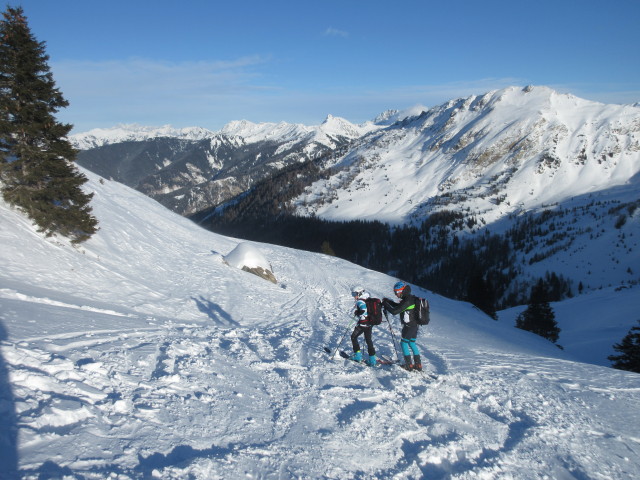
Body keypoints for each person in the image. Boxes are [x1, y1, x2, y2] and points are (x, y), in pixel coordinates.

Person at [382, 281, 422, 371]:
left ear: (401, 291)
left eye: (397, 292)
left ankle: (408, 365)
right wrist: (389, 302)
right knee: (411, 343)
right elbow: (399, 307)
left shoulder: (407, 300)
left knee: (403, 343)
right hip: (415, 325)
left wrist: (385, 305)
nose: (396, 294)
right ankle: (418, 365)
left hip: (409, 326)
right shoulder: (409, 298)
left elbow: (395, 311)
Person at [349, 286, 378, 366]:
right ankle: (372, 360)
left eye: (354, 294)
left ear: (360, 293)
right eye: (352, 294)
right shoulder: (368, 298)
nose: (354, 296)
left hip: (363, 324)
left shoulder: (360, 301)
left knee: (353, 337)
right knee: (368, 340)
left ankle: (358, 356)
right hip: (370, 324)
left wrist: (357, 312)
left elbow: (363, 310)